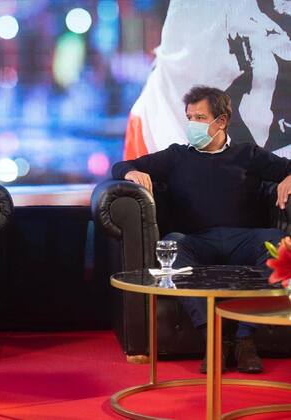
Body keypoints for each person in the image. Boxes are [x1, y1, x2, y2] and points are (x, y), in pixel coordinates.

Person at [112, 85, 291, 374]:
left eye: (199, 117)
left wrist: (289, 177)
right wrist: (130, 172)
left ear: (221, 121)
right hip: (196, 240)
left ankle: (245, 340)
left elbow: (288, 168)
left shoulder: (248, 154)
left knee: (278, 243)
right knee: (172, 245)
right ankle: (214, 338)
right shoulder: (176, 156)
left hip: (242, 239)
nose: (192, 124)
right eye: (189, 117)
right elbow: (122, 164)